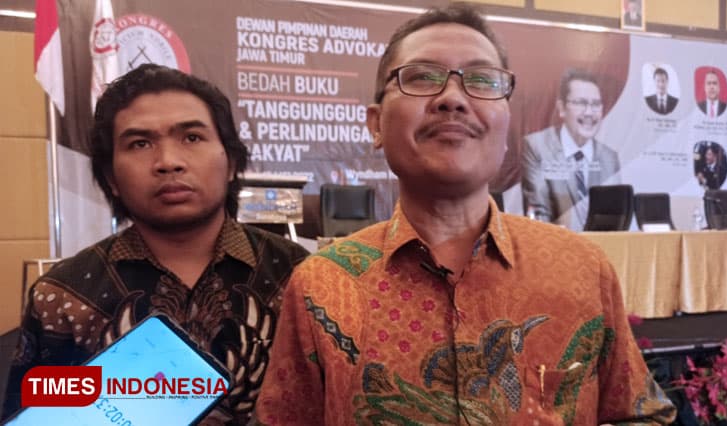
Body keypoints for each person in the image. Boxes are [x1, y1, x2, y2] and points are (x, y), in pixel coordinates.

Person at [256, 4, 675, 425]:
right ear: (376, 124)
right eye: (422, 77)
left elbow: (642, 415)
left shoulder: (583, 269)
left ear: (506, 127)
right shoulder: (321, 285)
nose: (453, 99)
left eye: (481, 81)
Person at [1, 64, 309, 424]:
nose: (168, 162)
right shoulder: (62, 295)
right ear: (110, 178)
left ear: (230, 162)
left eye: (191, 137)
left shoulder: (299, 276)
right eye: (140, 143)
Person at [522, 68, 621, 231]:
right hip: (555, 242)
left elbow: (615, 217)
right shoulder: (537, 147)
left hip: (599, 243)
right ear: (561, 108)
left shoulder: (609, 157)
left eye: (596, 104)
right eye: (581, 103)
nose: (589, 112)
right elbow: (538, 213)